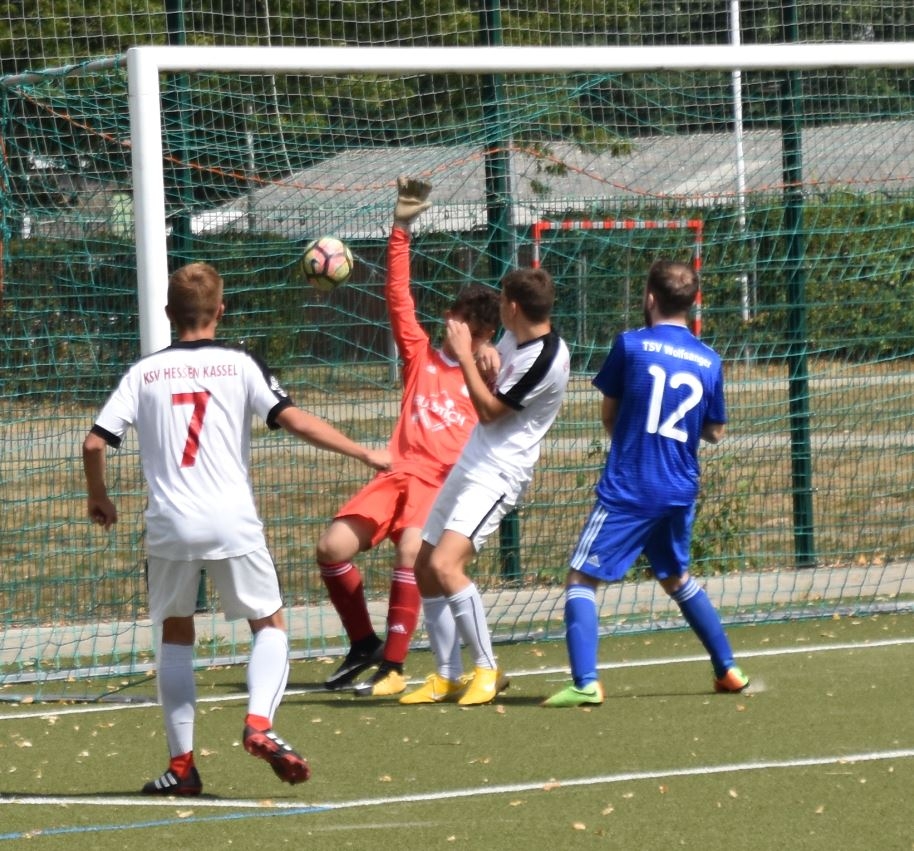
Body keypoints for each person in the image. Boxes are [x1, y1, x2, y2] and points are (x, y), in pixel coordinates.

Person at [82, 261, 391, 795]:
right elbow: (294, 419)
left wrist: (99, 496)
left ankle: (182, 768)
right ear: (220, 311)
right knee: (268, 624)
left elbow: (93, 443)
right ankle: (259, 722)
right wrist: (364, 452)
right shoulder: (240, 363)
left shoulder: (143, 373)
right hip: (232, 522)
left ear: (168, 313)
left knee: (175, 633)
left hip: (169, 527)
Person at [317, 177, 501, 697]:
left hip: (440, 484)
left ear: (482, 334)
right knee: (331, 547)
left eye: (462, 323)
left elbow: (512, 397)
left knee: (410, 553)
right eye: (452, 316)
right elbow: (398, 295)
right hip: (397, 474)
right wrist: (401, 227)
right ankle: (365, 644)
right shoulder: (421, 354)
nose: (450, 324)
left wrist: (493, 359)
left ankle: (394, 667)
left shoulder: (489, 371)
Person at [542, 259, 749, 708]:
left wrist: (634, 437)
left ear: (650, 298)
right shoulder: (709, 359)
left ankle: (585, 682)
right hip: (679, 488)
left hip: (631, 486)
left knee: (581, 577)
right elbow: (716, 432)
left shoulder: (630, 345)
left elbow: (609, 415)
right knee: (676, 577)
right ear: (692, 303)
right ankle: (728, 668)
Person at [400, 265, 571, 707]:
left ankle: (487, 669)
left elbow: (491, 412)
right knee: (424, 563)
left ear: (512, 306)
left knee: (446, 565)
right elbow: (497, 364)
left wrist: (463, 356)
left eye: (501, 300)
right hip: (473, 459)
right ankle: (447, 676)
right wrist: (486, 352)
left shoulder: (547, 358)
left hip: (498, 473)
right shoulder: (517, 334)